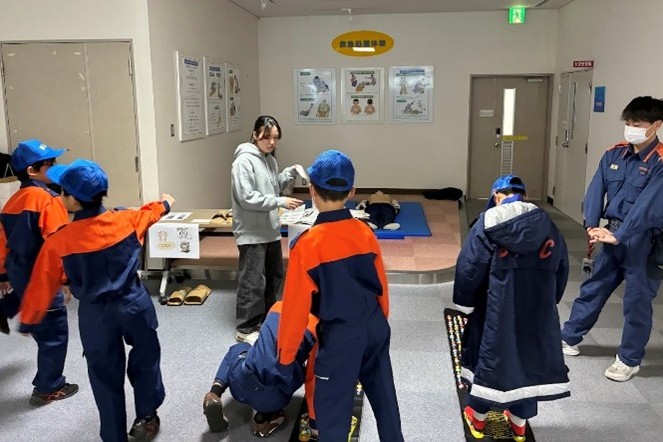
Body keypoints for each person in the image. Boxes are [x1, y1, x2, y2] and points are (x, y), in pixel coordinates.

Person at [19, 159, 174, 442]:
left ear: (73, 200)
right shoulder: (125, 219)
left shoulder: (60, 240)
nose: (59, 195)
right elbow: (151, 213)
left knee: (104, 375)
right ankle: (147, 417)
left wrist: (30, 318)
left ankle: (114, 435)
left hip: (96, 316)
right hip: (134, 304)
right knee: (146, 358)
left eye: (62, 191)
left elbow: (42, 281)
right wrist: (165, 203)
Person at [277, 150, 404, 442]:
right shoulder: (364, 231)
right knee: (385, 399)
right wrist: (378, 320)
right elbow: (381, 287)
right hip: (374, 326)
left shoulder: (306, 245)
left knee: (332, 412)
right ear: (351, 192)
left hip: (340, 336)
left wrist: (286, 357)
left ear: (312, 190)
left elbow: (295, 309)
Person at [454, 174, 570, 440]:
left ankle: (478, 419)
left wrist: (465, 303)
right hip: (536, 310)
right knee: (527, 360)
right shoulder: (549, 226)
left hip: (494, 307)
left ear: (496, 196)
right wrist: (549, 301)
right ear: (525, 196)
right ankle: (519, 423)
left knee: (489, 357)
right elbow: (561, 267)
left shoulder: (486, 224)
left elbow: (470, 268)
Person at [561, 96, 663, 382]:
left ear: (656, 125)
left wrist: (621, 235)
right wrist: (592, 225)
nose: (631, 128)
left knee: (637, 301)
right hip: (611, 235)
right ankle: (569, 336)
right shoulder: (614, 154)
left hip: (644, 240)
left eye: (637, 124)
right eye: (628, 123)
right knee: (594, 287)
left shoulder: (660, 161)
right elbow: (596, 189)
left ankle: (629, 359)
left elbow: (648, 207)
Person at [0, 139, 79, 405]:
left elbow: (2, 241)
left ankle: (8, 310)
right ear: (32, 171)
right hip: (42, 274)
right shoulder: (49, 200)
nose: (55, 167)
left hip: (18, 269)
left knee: (27, 298)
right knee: (54, 333)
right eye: (49, 164)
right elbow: (58, 243)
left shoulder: (12, 202)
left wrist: (2, 275)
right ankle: (49, 387)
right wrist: (65, 279)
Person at [231, 115, 303, 343]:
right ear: (255, 135)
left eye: (275, 137)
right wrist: (280, 201)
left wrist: (289, 173)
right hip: (251, 231)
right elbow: (247, 198)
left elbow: (273, 185)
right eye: (266, 137)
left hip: (270, 228)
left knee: (274, 275)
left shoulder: (269, 159)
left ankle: (268, 319)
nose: (271, 142)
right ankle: (245, 328)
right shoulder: (243, 161)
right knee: (252, 280)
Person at [202, 300, 318, 438]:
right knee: (297, 371)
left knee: (240, 348)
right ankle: (264, 419)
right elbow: (312, 382)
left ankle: (215, 392)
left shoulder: (277, 306)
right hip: (274, 398)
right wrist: (314, 423)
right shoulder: (317, 329)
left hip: (240, 383)